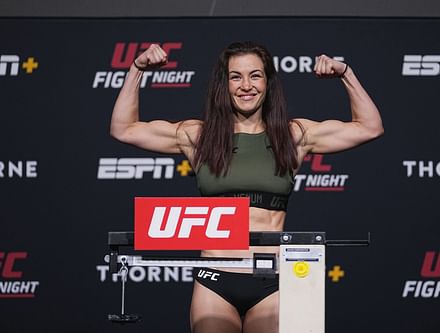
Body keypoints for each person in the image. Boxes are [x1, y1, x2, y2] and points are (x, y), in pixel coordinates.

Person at [110, 41, 383, 333]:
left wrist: (346, 73)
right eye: (236, 77)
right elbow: (123, 129)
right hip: (215, 276)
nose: (246, 86)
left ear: (268, 82)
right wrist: (137, 68)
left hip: (272, 279)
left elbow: (370, 127)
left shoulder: (294, 135)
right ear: (224, 84)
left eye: (255, 75)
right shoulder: (198, 136)